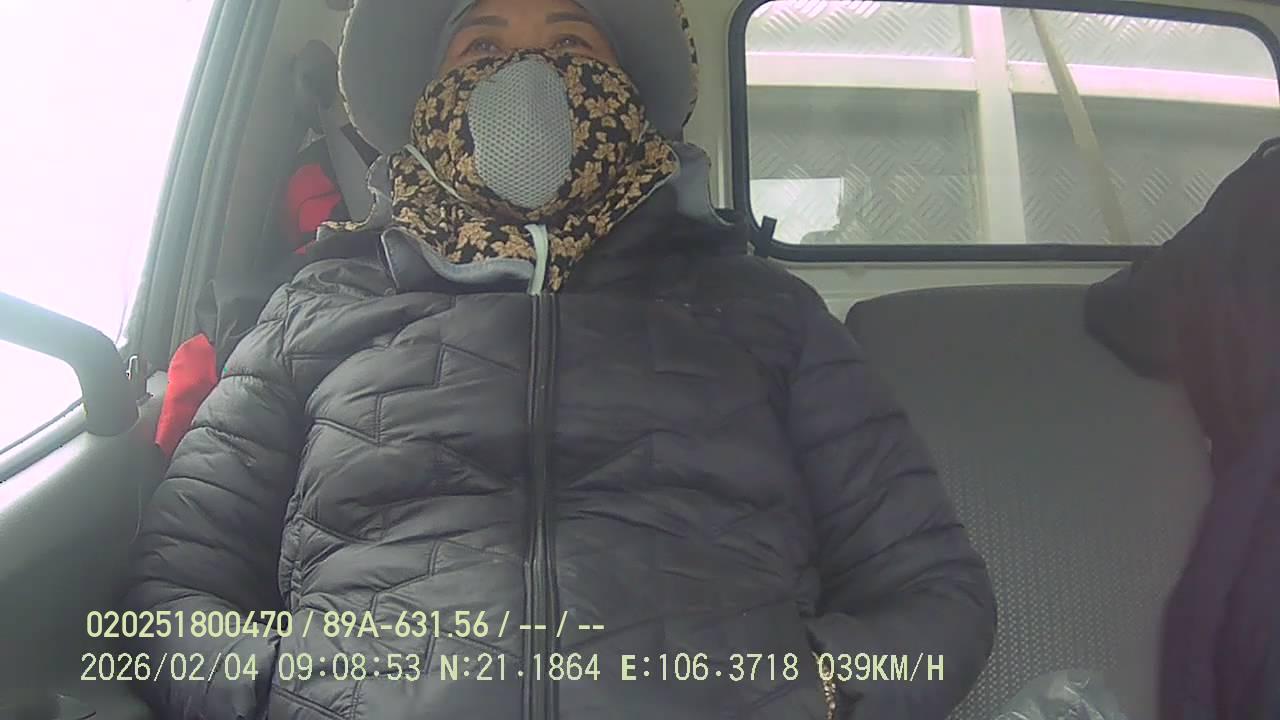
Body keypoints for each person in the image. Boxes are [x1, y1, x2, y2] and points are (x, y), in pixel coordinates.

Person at [123, 1, 996, 718]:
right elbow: (171, 593)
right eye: (482, 45)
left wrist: (821, 694)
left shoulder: (763, 311)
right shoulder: (313, 311)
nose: (529, 73)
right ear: (431, 95)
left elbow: (935, 593)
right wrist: (281, 693)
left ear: (628, 91)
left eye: (573, 44)